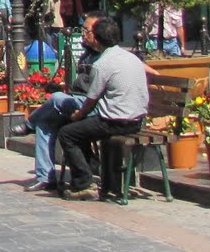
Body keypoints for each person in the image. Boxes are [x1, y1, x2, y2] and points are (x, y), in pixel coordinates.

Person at [57, 16, 148, 201]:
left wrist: (77, 115)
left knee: (67, 133)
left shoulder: (102, 64)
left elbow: (91, 99)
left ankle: (84, 182)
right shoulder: (132, 58)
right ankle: (91, 172)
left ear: (96, 40)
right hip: (137, 120)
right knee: (79, 131)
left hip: (114, 122)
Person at [16, 15, 102, 191]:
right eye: (83, 30)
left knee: (56, 98)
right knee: (45, 124)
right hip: (77, 102)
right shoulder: (87, 55)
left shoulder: (106, 57)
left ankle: (28, 124)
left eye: (87, 31)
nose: (83, 35)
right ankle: (45, 177)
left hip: (93, 107)